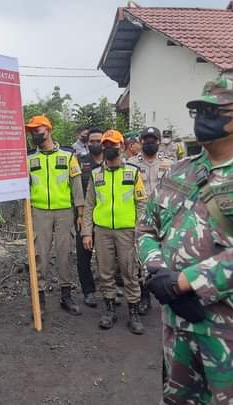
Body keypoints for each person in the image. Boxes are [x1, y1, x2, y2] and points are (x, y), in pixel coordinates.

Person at [138, 76, 233, 403]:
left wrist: (184, 281)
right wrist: (158, 273)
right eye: (199, 110)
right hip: (179, 325)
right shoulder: (180, 171)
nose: (204, 118)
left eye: (215, 111)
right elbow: (146, 228)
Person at [82, 129, 147, 334]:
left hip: (127, 231)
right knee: (106, 272)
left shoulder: (133, 172)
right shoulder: (95, 174)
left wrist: (140, 230)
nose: (109, 147)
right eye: (106, 144)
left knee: (130, 272)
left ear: (122, 145)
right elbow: (89, 204)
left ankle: (133, 313)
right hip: (102, 231)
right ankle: (109, 310)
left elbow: (142, 204)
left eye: (114, 144)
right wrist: (86, 232)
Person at [26, 115, 85, 318]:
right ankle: (39, 299)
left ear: (48, 130)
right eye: (32, 130)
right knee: (39, 255)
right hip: (39, 212)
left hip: (64, 213)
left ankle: (66, 296)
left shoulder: (68, 156)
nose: (34, 133)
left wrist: (80, 213)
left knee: (64, 254)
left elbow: (77, 187)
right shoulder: (29, 158)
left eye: (37, 129)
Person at [126, 126, 175, 316]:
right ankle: (144, 296)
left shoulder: (169, 164)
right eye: (146, 139)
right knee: (141, 257)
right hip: (141, 216)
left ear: (159, 141)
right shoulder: (130, 163)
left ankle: (169, 294)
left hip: (164, 216)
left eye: (153, 139)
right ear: (140, 141)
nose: (149, 143)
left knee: (167, 255)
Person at [74, 128, 104, 308]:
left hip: (104, 218)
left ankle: (110, 289)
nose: (95, 144)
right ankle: (89, 291)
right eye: (91, 141)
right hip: (84, 216)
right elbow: (76, 190)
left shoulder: (111, 162)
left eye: (98, 140)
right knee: (83, 256)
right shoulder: (80, 162)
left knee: (107, 255)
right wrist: (78, 214)